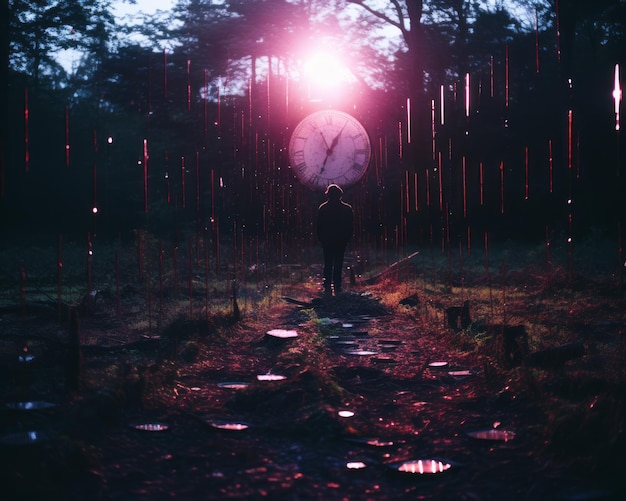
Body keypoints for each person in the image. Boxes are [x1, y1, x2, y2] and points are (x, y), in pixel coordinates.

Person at [316, 184, 354, 295]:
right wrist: (347, 239)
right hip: (340, 241)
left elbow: (319, 226)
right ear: (340, 195)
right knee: (338, 263)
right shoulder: (347, 209)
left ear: (328, 195)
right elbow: (350, 226)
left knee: (328, 263)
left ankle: (327, 287)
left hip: (327, 241)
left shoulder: (323, 208)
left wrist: (321, 239)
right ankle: (337, 287)